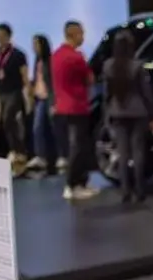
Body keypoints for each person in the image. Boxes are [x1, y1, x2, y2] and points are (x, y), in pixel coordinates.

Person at [103, 32, 153, 204]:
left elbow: (107, 94)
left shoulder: (108, 66)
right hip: (138, 113)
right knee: (138, 152)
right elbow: (146, 94)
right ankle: (139, 190)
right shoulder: (137, 66)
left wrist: (107, 113)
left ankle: (125, 190)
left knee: (123, 153)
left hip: (117, 112)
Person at [53, 20, 97, 201]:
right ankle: (73, 185)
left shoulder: (56, 55)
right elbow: (90, 79)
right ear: (73, 34)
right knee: (78, 147)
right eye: (81, 33)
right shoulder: (76, 57)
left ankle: (79, 183)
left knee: (75, 146)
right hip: (77, 107)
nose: (83, 37)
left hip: (62, 107)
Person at [0, 23, 30, 175]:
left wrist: (29, 93)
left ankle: (18, 150)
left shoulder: (18, 54)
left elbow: (24, 75)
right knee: (3, 123)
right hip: (0, 91)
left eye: (2, 35)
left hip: (14, 91)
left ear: (8, 36)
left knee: (8, 118)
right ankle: (12, 150)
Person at [28, 34, 58, 174]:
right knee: (38, 127)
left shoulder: (50, 61)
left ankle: (58, 156)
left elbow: (53, 82)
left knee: (53, 128)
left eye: (36, 44)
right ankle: (41, 156)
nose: (34, 47)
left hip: (49, 98)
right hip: (39, 98)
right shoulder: (37, 61)